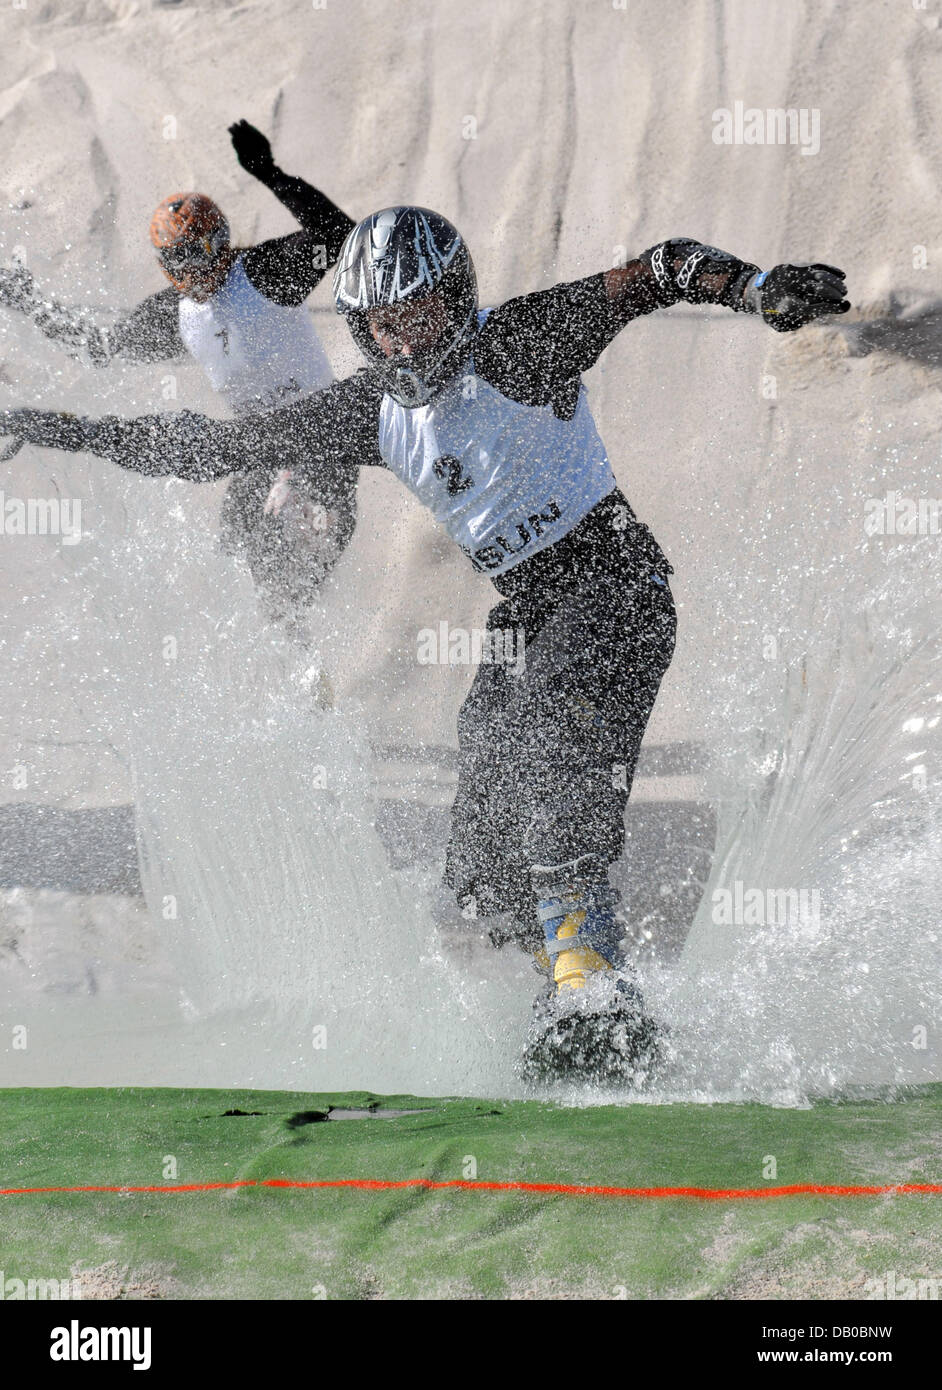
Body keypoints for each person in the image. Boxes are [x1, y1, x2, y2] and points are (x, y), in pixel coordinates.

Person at [1, 207, 849, 1082]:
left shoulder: (521, 342)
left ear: (459, 296)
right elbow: (218, 448)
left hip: (615, 588)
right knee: (481, 849)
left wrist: (755, 287)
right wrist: (63, 429)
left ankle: (591, 986)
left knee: (552, 755)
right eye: (382, 325)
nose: (406, 340)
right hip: (530, 607)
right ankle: (584, 992)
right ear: (364, 332)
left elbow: (656, 270)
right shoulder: (372, 409)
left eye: (423, 313)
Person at [0, 121, 357, 625]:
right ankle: (291, 661)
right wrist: (30, 304)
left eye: (207, 251)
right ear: (166, 266)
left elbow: (340, 235)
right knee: (235, 565)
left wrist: (270, 173)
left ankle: (298, 638)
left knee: (288, 564)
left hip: (326, 440)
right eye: (183, 261)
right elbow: (98, 349)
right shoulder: (176, 315)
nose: (199, 271)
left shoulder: (264, 273)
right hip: (257, 452)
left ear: (224, 241)